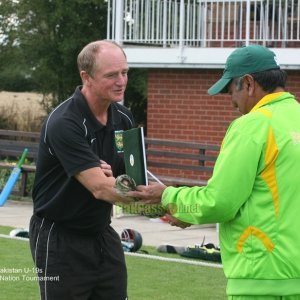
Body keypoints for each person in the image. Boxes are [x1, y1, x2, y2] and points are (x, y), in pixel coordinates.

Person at [129, 45, 300, 299]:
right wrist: (187, 211)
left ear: (249, 84)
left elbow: (219, 202)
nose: (233, 103)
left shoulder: (252, 126)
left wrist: (168, 197)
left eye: (231, 91)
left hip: (261, 276)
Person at [29, 40, 134, 300]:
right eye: (111, 75)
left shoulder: (124, 118)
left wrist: (122, 182)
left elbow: (134, 178)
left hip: (101, 232)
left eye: (125, 72)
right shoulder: (65, 122)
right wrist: (167, 202)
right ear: (86, 77)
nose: (121, 81)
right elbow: (100, 188)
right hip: (59, 235)